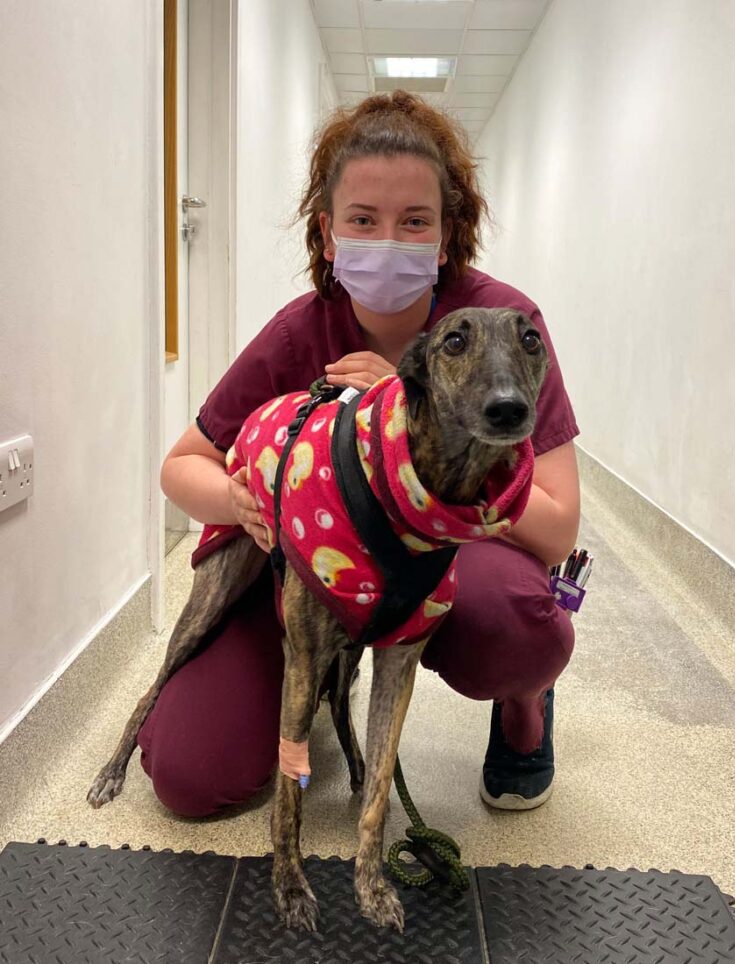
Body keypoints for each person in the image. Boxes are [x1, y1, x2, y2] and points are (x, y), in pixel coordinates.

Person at [139, 90, 580, 817]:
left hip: (445, 554)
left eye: (414, 222)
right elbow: (181, 466)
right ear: (328, 233)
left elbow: (557, 526)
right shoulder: (298, 333)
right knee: (192, 776)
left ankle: (523, 706)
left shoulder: (505, 324)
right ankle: (310, 676)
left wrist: (416, 420)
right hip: (306, 563)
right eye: (362, 221)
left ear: (445, 237)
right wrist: (242, 500)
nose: (388, 240)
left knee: (517, 623)